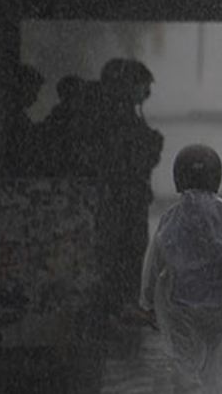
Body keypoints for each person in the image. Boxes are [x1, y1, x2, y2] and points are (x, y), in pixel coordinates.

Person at [140, 144, 222, 394]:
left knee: (186, 374)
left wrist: (148, 303)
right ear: (216, 177)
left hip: (183, 309)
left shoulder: (171, 217)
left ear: (178, 177)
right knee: (218, 376)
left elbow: (155, 263)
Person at [93, 58, 164, 318]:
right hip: (121, 198)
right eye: (142, 86)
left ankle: (122, 302)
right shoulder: (116, 117)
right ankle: (119, 303)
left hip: (129, 196)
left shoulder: (126, 115)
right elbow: (126, 157)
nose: (147, 92)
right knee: (124, 249)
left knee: (130, 249)